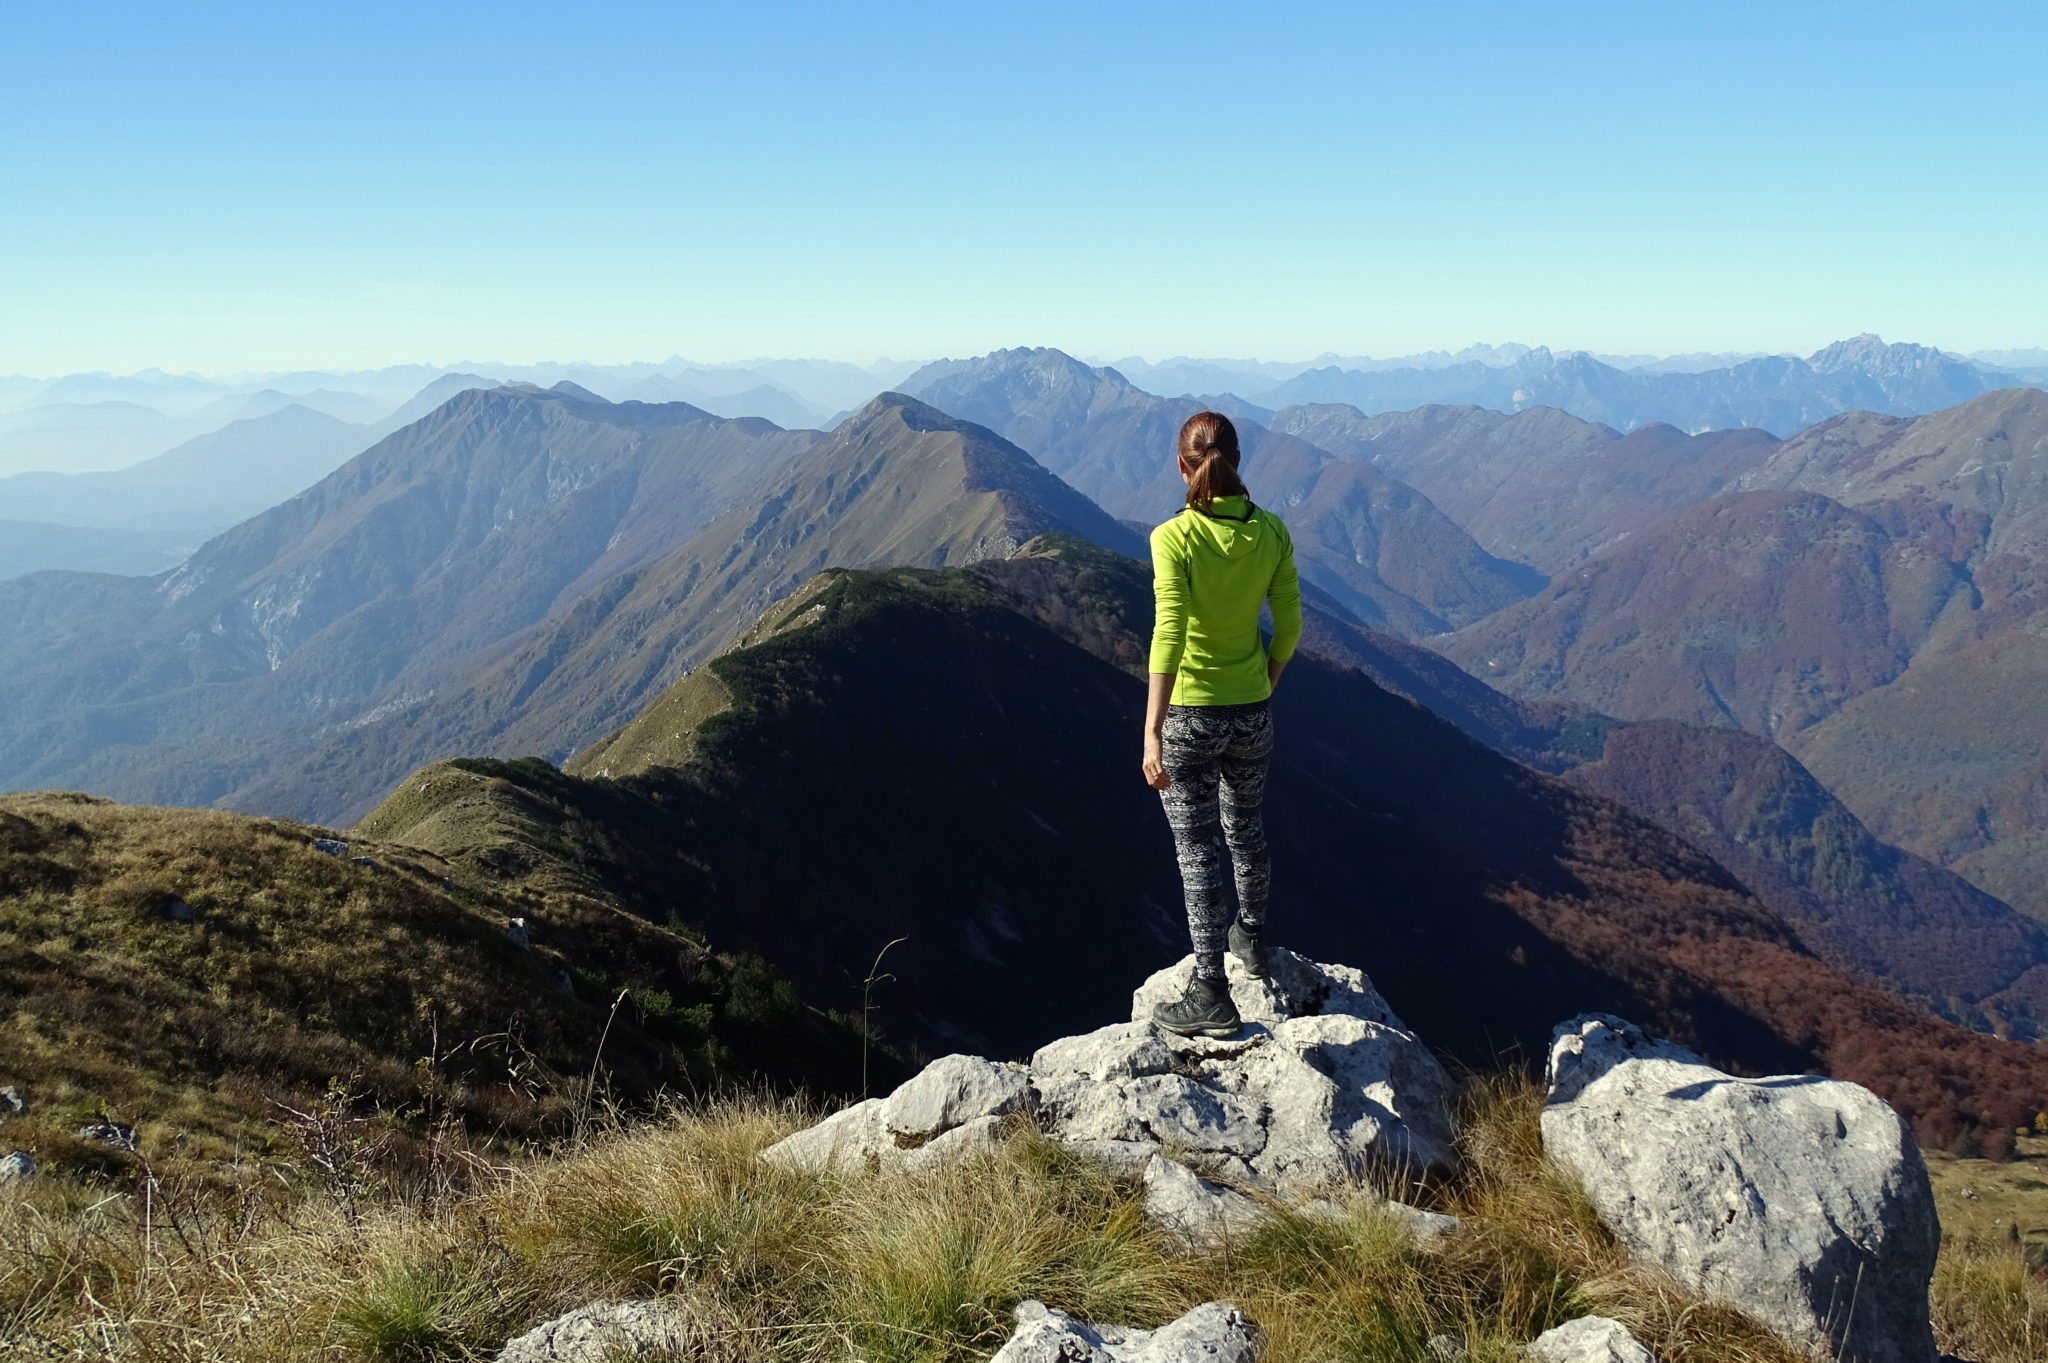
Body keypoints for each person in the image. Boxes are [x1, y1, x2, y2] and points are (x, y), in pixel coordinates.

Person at [1142, 410, 1302, 1037]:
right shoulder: (1272, 532)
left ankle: (1210, 989)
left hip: (1190, 715)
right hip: (1252, 714)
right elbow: (1289, 626)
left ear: (1182, 466)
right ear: (1238, 462)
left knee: (1197, 850)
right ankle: (1254, 940)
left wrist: (1152, 729)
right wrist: (1264, 683)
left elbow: (1170, 632)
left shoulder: (1173, 538)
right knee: (1246, 828)